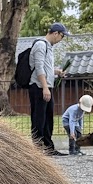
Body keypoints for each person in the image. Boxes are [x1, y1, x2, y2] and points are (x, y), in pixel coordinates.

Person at [29, 22, 69, 156]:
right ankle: (38, 148)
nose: (61, 39)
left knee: (48, 118)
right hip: (39, 86)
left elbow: (45, 68)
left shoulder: (48, 47)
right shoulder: (40, 44)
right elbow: (39, 67)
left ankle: (48, 147)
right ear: (56, 33)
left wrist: (56, 72)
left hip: (46, 86)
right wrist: (45, 87)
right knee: (39, 118)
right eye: (62, 36)